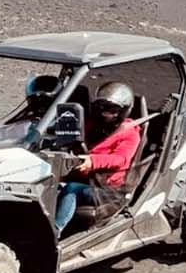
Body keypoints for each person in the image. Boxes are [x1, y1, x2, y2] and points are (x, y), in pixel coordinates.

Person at [54, 82, 142, 235]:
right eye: (102, 108)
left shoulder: (130, 133)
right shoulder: (92, 124)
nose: (105, 114)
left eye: (112, 110)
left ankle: (55, 233)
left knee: (72, 189)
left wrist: (92, 161)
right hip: (84, 178)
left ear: (123, 112)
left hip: (108, 190)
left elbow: (120, 159)